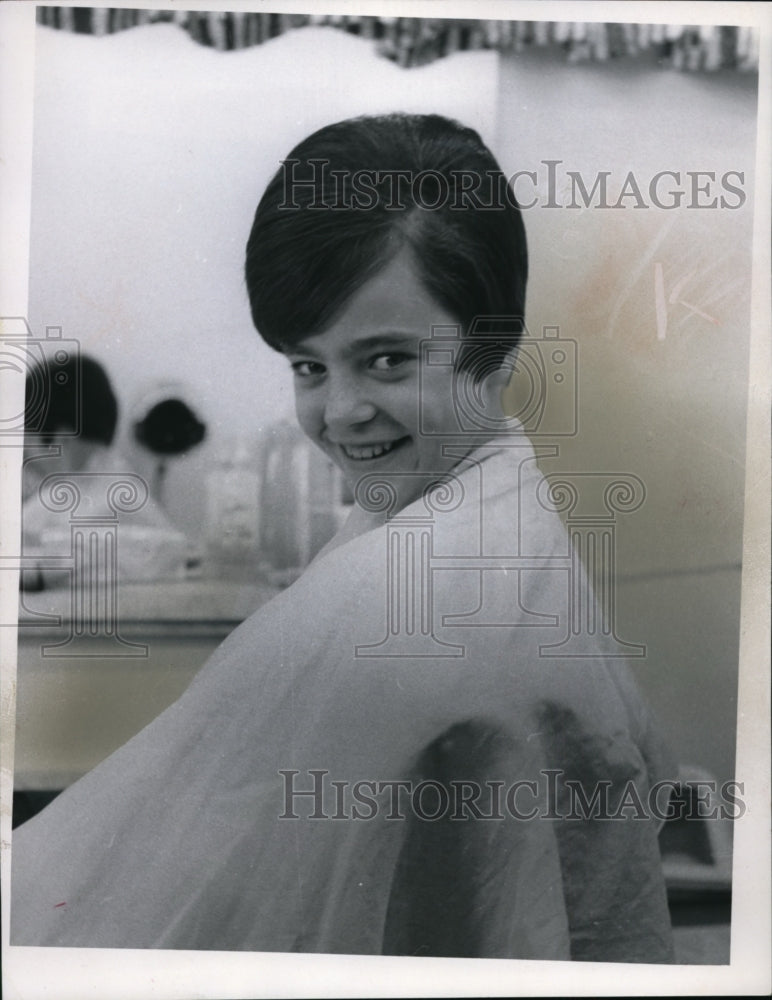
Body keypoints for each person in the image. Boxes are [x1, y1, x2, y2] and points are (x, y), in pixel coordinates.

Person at [11, 114, 675, 961]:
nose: (338, 413)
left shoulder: (414, 595)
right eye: (309, 366)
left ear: (495, 349)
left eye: (388, 359)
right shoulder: (478, 519)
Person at [21, 353, 189, 587]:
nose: (27, 458)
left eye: (27, 441)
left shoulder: (51, 507)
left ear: (60, 439)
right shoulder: (135, 494)